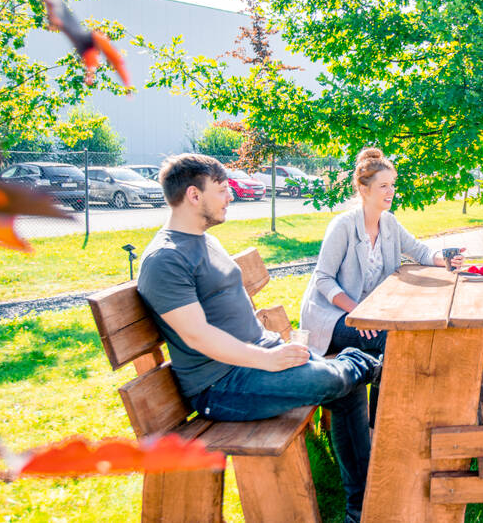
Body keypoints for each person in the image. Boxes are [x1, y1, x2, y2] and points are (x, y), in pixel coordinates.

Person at [136, 154, 380, 523]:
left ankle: (362, 510)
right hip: (221, 386)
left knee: (344, 387)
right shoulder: (165, 259)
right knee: (330, 377)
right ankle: (370, 364)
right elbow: (198, 336)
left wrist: (274, 350)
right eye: (222, 190)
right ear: (193, 195)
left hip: (259, 359)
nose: (230, 196)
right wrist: (268, 359)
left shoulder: (205, 242)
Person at [300, 147, 464, 358]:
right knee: (391, 337)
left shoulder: (389, 223)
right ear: (364, 189)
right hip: (332, 318)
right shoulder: (343, 225)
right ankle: (392, 391)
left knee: (416, 327)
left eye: (392, 185)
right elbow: (323, 279)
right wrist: (360, 313)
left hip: (372, 313)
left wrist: (445, 259)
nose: (391, 191)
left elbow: (419, 251)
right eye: (383, 186)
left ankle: (392, 389)